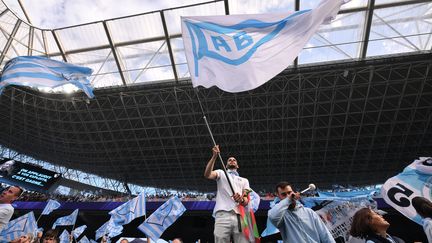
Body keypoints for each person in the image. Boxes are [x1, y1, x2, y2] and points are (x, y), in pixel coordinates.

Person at [204, 145, 251, 243]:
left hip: (239, 216)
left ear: (237, 165)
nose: (232, 160)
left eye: (234, 160)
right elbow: (207, 174)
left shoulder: (245, 181)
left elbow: (246, 200)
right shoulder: (221, 173)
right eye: (229, 160)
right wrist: (214, 157)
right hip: (222, 215)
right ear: (226, 165)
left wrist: (241, 199)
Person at [267, 181, 335, 243]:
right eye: (284, 194)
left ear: (293, 192)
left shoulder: (309, 212)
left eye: (289, 193)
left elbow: (325, 234)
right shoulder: (281, 216)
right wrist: (288, 200)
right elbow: (272, 216)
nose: (288, 196)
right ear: (278, 196)